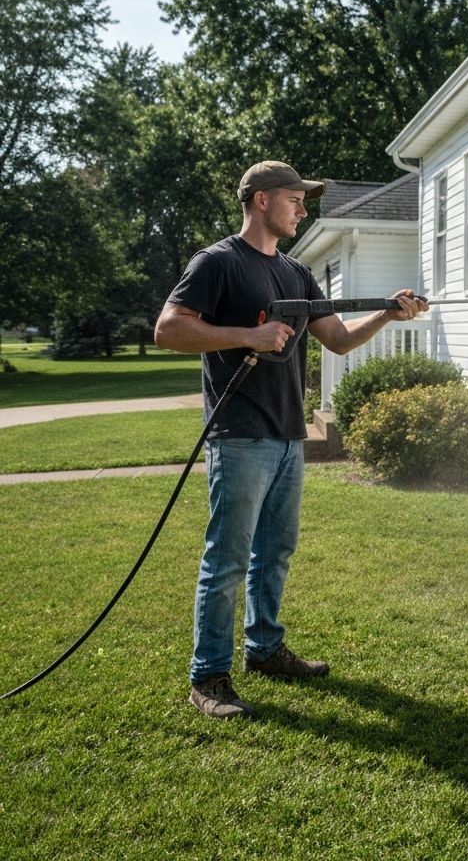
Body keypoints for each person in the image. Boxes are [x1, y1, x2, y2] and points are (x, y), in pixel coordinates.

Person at [154, 160, 428, 719]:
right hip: (239, 435)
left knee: (275, 551)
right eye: (295, 199)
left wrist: (386, 313)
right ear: (261, 200)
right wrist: (248, 334)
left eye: (305, 201)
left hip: (287, 434)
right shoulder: (217, 262)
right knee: (227, 560)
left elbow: (338, 339)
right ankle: (208, 677)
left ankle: (264, 649)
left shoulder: (297, 273)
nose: (303, 209)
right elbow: (168, 329)